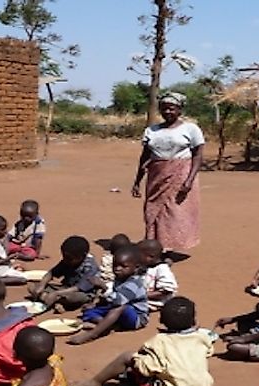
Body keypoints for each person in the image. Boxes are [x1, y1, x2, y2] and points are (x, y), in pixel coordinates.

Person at [69, 297, 214, 386]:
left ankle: (94, 383)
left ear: (161, 321)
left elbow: (146, 367)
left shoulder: (160, 341)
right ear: (194, 321)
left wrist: (138, 361)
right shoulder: (202, 337)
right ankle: (128, 376)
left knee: (128, 358)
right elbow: (207, 352)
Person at [132, 92, 204, 252]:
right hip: (156, 175)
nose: (167, 112)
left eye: (171, 109)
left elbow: (198, 155)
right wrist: (137, 181)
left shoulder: (191, 129)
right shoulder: (152, 130)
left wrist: (189, 180)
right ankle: (153, 244)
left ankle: (169, 248)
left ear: (180, 110)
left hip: (180, 174)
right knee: (152, 210)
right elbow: (144, 156)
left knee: (175, 212)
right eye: (164, 109)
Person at [68, 245, 149, 346]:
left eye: (123, 266)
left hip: (136, 318)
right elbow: (111, 299)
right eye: (115, 265)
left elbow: (118, 301)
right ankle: (106, 325)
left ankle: (93, 333)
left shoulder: (134, 283)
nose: (117, 269)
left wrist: (103, 287)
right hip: (118, 312)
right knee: (88, 311)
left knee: (120, 308)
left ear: (136, 267)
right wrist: (96, 304)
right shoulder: (120, 278)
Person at [29, 236, 100, 312]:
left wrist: (56, 293)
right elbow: (51, 273)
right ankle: (54, 301)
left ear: (83, 255)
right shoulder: (67, 260)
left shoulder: (90, 267)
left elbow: (78, 288)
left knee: (74, 298)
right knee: (33, 287)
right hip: (64, 289)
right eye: (64, 257)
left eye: (70, 258)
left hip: (81, 293)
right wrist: (41, 285)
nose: (65, 260)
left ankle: (50, 299)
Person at [138, 239, 178, 311]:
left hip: (156, 303)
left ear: (150, 257)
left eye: (138, 255)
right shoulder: (145, 266)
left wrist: (142, 296)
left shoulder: (162, 269)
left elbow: (166, 290)